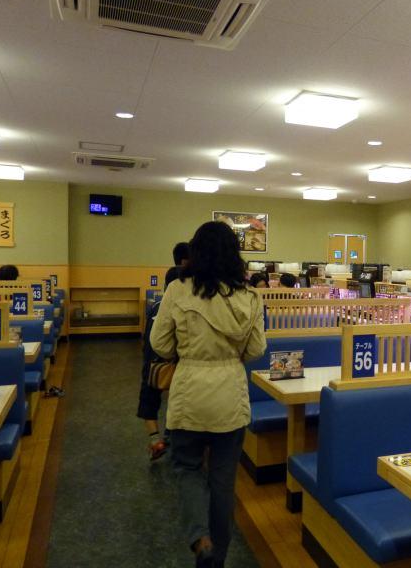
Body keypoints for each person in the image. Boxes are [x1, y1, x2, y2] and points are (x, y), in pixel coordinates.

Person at [150, 221, 266, 568]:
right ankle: (217, 558)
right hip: (229, 394)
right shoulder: (250, 297)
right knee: (222, 480)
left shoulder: (178, 291)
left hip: (189, 391)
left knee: (186, 467)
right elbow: (256, 349)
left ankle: (199, 536)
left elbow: (159, 343)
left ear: (195, 252)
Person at [138, 266, 181, 461]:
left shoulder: (156, 306)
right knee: (177, 398)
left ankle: (156, 440)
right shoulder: (183, 307)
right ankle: (171, 435)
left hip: (151, 360)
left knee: (149, 398)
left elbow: (149, 337)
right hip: (173, 362)